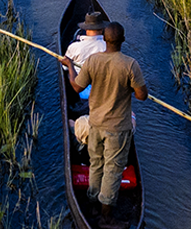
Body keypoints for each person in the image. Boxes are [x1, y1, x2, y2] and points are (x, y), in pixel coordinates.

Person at [63, 22, 148, 229]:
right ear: (122, 40)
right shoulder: (130, 64)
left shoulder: (92, 61)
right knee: (112, 170)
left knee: (96, 164)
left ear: (106, 40)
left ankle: (92, 205)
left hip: (95, 124)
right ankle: (106, 217)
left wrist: (70, 66)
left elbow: (76, 86)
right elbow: (142, 95)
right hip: (117, 128)